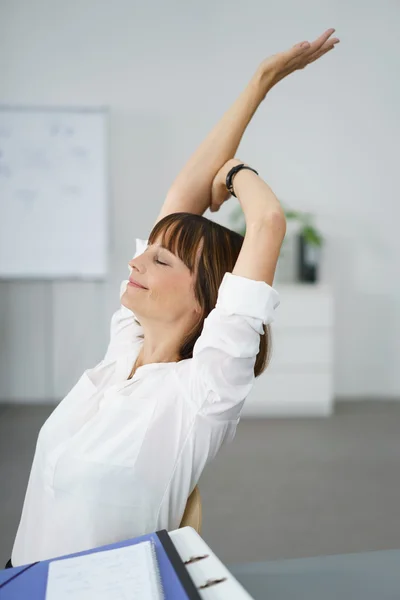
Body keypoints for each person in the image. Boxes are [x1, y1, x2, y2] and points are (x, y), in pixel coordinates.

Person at [6, 28, 339, 569]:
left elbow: (267, 222)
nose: (137, 261)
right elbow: (181, 202)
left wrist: (233, 174)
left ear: (210, 300)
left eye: (161, 261)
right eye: (148, 252)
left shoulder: (203, 392)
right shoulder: (124, 351)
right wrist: (261, 81)